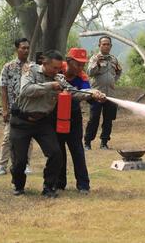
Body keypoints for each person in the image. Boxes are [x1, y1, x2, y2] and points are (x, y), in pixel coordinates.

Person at [9, 50, 106, 197]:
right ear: (44, 63)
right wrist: (50, 86)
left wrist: (92, 93)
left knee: (56, 153)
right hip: (22, 121)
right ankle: (18, 185)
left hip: (43, 122)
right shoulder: (31, 71)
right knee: (20, 160)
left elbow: (73, 92)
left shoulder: (59, 78)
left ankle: (49, 187)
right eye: (54, 68)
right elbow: (26, 90)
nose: (57, 70)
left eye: (59, 67)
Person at [0, 38, 34, 177]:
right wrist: (4, 109)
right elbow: (3, 89)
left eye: (27, 48)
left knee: (28, 137)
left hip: (28, 108)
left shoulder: (33, 67)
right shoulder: (8, 67)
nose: (26, 50)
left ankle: (26, 164)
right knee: (8, 137)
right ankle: (1, 166)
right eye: (23, 48)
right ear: (17, 49)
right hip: (13, 109)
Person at [51, 48, 92, 193]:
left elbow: (87, 92)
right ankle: (59, 183)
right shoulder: (56, 69)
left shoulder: (83, 78)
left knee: (77, 150)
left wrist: (93, 94)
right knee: (58, 150)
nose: (81, 68)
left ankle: (83, 185)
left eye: (83, 65)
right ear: (68, 61)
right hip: (54, 115)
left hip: (73, 116)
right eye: (78, 64)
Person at [84, 36, 122, 150]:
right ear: (99, 46)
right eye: (103, 44)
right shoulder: (94, 58)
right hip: (96, 94)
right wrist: (97, 63)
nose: (106, 46)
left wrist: (112, 80)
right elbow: (89, 72)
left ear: (111, 46)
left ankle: (104, 142)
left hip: (110, 94)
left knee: (108, 119)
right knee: (93, 119)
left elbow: (119, 71)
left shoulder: (114, 59)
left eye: (108, 44)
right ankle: (87, 142)